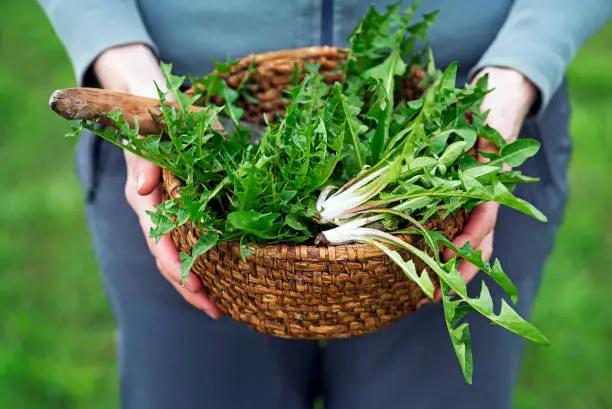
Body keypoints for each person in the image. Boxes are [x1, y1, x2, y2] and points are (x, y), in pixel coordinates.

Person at [37, 1, 611, 408]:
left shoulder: (472, 122)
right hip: (176, 131)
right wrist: (122, 62)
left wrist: (518, 72)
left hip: (471, 126)